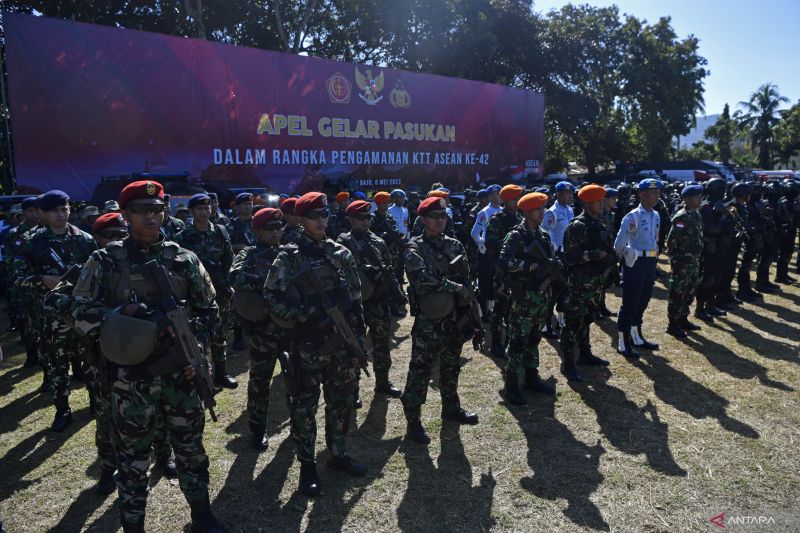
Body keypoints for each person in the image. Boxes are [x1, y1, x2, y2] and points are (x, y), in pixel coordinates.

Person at [71, 180, 225, 532]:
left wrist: (194, 350)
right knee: (133, 459)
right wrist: (124, 317)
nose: (152, 217)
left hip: (181, 375)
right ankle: (133, 524)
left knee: (191, 450)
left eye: (158, 210)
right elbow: (78, 313)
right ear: (125, 214)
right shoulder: (105, 261)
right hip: (131, 378)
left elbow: (210, 310)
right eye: (143, 210)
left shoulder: (184, 258)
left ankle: (202, 514)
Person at [263, 191, 367, 497]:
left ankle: (338, 452)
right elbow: (271, 297)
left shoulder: (340, 253)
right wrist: (303, 315)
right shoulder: (289, 257)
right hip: (308, 344)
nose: (320, 221)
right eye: (313, 216)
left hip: (341, 343)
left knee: (342, 401)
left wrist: (358, 339)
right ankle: (307, 465)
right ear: (301, 219)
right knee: (305, 407)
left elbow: (356, 299)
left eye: (324, 215)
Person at [14, 190, 97, 431]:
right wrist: (43, 279)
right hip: (53, 316)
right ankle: (63, 410)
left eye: (65, 208)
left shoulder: (84, 239)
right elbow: (17, 277)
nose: (62, 214)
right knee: (58, 365)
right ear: (44, 213)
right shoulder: (33, 242)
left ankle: (94, 402)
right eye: (55, 210)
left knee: (91, 360)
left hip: (82, 312)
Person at [402, 196, 479, 445]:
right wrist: (455, 287)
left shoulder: (455, 245)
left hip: (453, 318)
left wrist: (470, 306)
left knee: (451, 364)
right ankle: (413, 420)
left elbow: (467, 279)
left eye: (444, 216)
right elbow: (421, 279)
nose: (441, 220)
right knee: (420, 370)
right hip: (429, 320)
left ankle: (451, 407)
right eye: (435, 217)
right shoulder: (414, 247)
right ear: (423, 220)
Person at [229, 207, 288, 451]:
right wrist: (270, 278)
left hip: (290, 326)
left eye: (278, 227)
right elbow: (235, 277)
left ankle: (298, 423)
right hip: (263, 329)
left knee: (296, 379)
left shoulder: (289, 253)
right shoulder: (249, 255)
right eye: (269, 228)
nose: (275, 232)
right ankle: (257, 428)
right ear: (257, 231)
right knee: (260, 381)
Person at [337, 200, 403, 399]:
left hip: (377, 301)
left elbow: (389, 268)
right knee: (354, 347)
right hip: (353, 304)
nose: (366, 222)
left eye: (368, 218)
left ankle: (382, 383)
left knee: (382, 344)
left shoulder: (377, 241)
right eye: (361, 218)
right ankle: (354, 389)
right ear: (350, 219)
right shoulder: (341, 243)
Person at [498, 192, 557, 405]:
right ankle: (511, 384)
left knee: (534, 337)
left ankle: (532, 376)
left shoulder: (544, 236)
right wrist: (530, 266)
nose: (542, 213)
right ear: (528, 211)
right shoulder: (516, 236)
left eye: (543, 209)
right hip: (522, 296)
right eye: (538, 209)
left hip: (540, 297)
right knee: (517, 340)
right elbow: (503, 262)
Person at [176, 194, 238, 389]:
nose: (204, 212)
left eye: (207, 208)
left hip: (218, 292)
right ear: (192, 212)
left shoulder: (221, 232)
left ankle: (221, 373)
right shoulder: (183, 237)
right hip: (194, 295)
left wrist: (229, 284)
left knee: (220, 334)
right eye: (200, 209)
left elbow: (230, 261)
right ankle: (200, 376)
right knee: (197, 335)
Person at [560, 184, 614, 382]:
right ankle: (568, 363)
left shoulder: (599, 222)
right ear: (588, 203)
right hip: (579, 283)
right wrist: (592, 255)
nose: (602, 204)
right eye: (598, 201)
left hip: (595, 282)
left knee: (587, 319)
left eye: (602, 200)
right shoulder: (577, 226)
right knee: (573, 322)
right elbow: (570, 257)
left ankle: (585, 354)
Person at [613, 178, 663, 357]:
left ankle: (636, 336)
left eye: (658, 193)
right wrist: (628, 253)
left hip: (649, 262)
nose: (656, 197)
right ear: (641, 194)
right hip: (635, 263)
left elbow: (655, 239)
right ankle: (623, 341)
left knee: (643, 301)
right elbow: (618, 244)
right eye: (652, 193)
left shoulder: (656, 215)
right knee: (630, 303)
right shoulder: (632, 216)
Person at [484, 184, 523, 358]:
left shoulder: (520, 218)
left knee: (513, 309)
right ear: (506, 200)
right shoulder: (497, 219)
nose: (517, 202)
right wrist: (509, 247)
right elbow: (490, 243)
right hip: (502, 271)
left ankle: (509, 341)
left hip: (518, 271)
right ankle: (496, 343)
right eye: (514, 199)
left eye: (518, 199)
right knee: (500, 309)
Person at [665, 184, 704, 338]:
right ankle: (673, 324)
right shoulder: (681, 217)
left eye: (700, 196)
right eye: (697, 196)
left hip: (694, 260)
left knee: (690, 290)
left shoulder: (696, 214)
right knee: (678, 292)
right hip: (682, 261)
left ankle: (683, 318)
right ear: (687, 199)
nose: (700, 199)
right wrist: (678, 259)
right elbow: (671, 242)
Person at [541, 181, 575, 335]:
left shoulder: (570, 210)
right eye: (566, 193)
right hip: (556, 254)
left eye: (571, 193)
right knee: (554, 291)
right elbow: (543, 233)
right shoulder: (552, 212)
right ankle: (545, 324)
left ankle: (561, 321)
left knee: (565, 289)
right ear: (558, 194)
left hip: (567, 254)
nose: (569, 196)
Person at [470, 184, 502, 317]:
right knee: (484, 282)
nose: (498, 196)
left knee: (496, 282)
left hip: (499, 252)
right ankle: (483, 311)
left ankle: (493, 309)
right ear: (489, 197)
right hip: (486, 253)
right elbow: (475, 232)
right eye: (495, 194)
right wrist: (481, 244)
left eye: (499, 193)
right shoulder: (484, 212)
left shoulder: (503, 210)